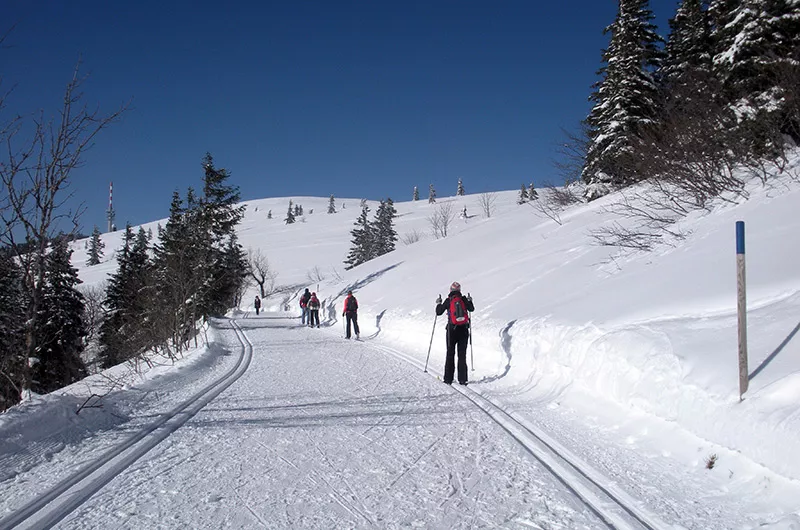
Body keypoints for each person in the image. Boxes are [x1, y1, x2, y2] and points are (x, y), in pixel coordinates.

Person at [435, 281, 474, 385]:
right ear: (460, 290)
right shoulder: (464, 299)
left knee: (450, 354)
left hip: (451, 330)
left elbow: (439, 312)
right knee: (462, 355)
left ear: (450, 290)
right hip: (464, 330)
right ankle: (463, 379)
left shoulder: (449, 300)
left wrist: (439, 303)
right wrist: (470, 301)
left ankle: (448, 379)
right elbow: (471, 309)